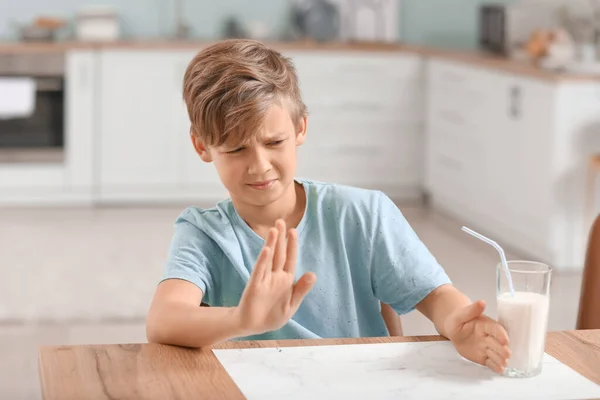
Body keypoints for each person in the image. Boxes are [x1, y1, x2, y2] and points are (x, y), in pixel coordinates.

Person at [146, 39, 511, 374]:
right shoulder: (203, 233)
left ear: (301, 128)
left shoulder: (363, 213)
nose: (259, 165)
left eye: (274, 142)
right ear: (201, 147)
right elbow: (163, 321)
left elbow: (435, 296)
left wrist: (457, 323)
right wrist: (244, 320)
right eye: (236, 149)